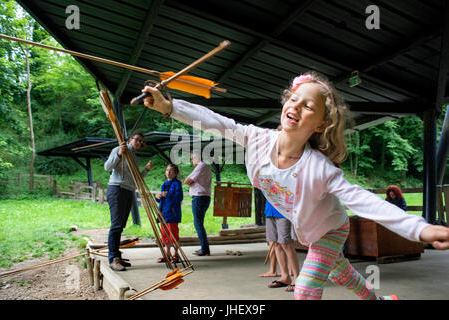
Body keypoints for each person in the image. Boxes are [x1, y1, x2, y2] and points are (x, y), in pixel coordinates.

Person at [142, 71, 449, 300]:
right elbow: (218, 122)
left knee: (304, 290)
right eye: (293, 99)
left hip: (331, 229)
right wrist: (170, 107)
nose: (296, 107)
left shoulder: (320, 169)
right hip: (309, 230)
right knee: (342, 273)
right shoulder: (257, 139)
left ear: (319, 125)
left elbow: (363, 201)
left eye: (308, 106)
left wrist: (419, 229)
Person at [104, 132, 152, 271]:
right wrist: (119, 154)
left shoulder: (134, 157)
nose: (138, 143)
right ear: (130, 139)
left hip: (128, 191)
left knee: (121, 225)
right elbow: (107, 167)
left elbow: (136, 179)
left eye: (141, 141)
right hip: (117, 189)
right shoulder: (119, 149)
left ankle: (117, 256)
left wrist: (146, 171)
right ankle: (113, 259)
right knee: (116, 225)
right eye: (137, 140)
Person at [264, 200, 300, 292]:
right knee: (275, 243)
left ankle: (297, 278)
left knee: (285, 243)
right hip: (270, 210)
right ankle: (285, 276)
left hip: (283, 210)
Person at [184, 151, 212, 256]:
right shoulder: (206, 167)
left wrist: (191, 182)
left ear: (197, 157)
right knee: (199, 223)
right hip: (204, 197)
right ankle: (204, 248)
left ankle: (204, 249)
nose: (192, 161)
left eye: (192, 158)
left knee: (198, 223)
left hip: (199, 197)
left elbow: (187, 181)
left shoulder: (200, 166)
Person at [154, 163, 183, 263]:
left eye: (171, 170)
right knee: (164, 235)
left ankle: (176, 254)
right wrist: (158, 197)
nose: (168, 172)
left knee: (173, 235)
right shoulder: (164, 184)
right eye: (167, 170)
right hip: (164, 213)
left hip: (172, 213)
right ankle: (167, 254)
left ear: (176, 173)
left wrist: (168, 194)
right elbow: (163, 200)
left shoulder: (177, 184)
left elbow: (179, 198)